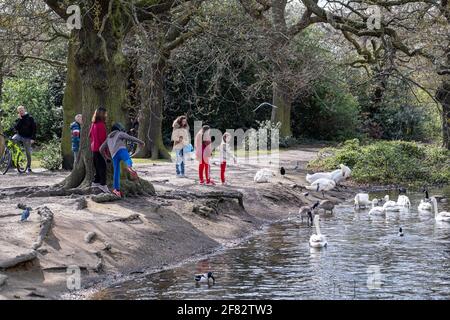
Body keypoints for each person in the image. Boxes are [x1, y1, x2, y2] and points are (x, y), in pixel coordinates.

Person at [99, 122, 145, 198]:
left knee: (116, 172)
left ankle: (116, 190)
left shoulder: (108, 138)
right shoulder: (120, 133)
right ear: (119, 129)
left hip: (114, 155)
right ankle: (129, 166)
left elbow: (101, 149)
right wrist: (141, 142)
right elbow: (130, 137)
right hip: (121, 150)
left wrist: (106, 157)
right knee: (127, 159)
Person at [89, 107, 109, 193]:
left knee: (97, 166)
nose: (106, 115)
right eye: (105, 113)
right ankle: (103, 185)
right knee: (102, 167)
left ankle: (96, 182)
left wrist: (94, 141)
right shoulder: (101, 125)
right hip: (100, 149)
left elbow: (90, 135)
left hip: (94, 148)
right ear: (102, 114)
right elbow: (103, 139)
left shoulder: (93, 124)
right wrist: (106, 152)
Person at [12, 106, 36, 173]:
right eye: (19, 111)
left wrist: (33, 138)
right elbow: (16, 128)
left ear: (24, 110)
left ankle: (29, 167)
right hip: (19, 135)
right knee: (12, 139)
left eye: (22, 110)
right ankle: (18, 151)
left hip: (27, 137)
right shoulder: (19, 119)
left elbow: (34, 129)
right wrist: (20, 119)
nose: (21, 112)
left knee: (28, 152)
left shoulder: (30, 118)